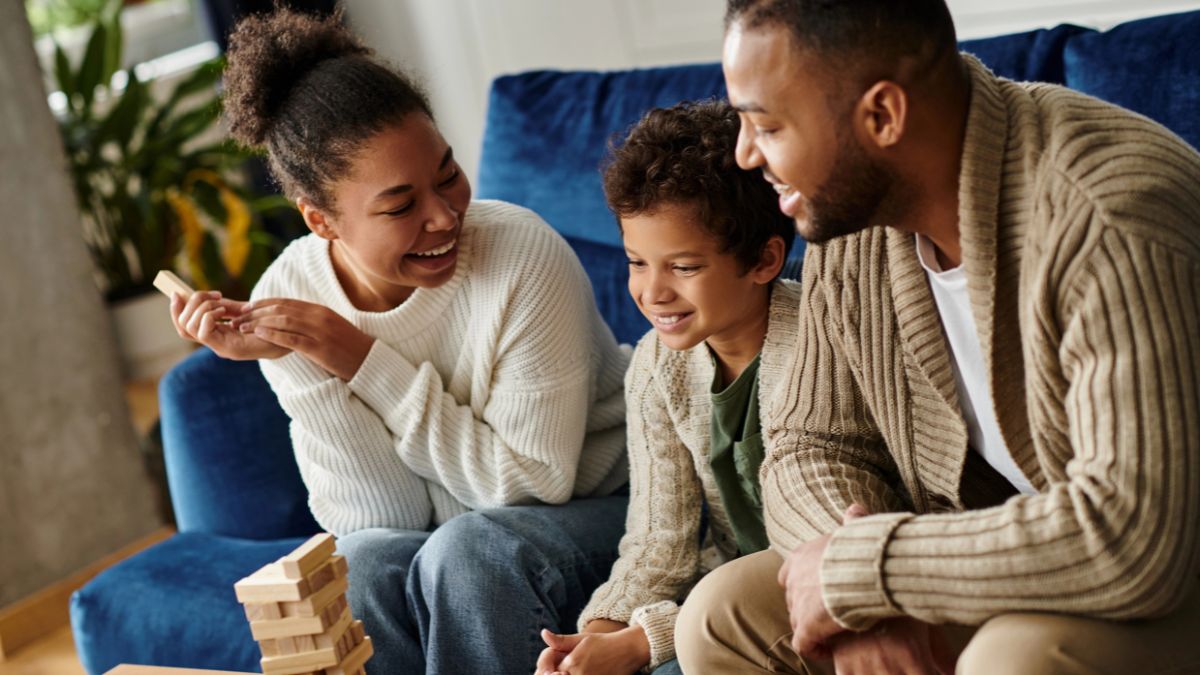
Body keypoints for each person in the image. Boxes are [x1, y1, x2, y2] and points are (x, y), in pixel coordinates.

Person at [675, 1, 1200, 674]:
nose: (746, 153)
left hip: (1169, 572)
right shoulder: (851, 216)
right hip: (1004, 564)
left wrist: (866, 571)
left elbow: (1135, 538)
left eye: (767, 124)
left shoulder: (1107, 216)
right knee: (721, 615)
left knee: (1014, 660)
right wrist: (859, 599)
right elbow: (808, 445)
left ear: (883, 116)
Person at [169, 8, 631, 674]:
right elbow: (381, 519)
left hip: (607, 506)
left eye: (447, 174)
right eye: (400, 204)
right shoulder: (294, 291)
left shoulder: (520, 253)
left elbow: (534, 481)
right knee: (360, 567)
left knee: (466, 552)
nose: (445, 214)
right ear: (321, 220)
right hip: (469, 528)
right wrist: (312, 366)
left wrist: (358, 357)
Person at [534, 99, 798, 675]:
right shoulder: (656, 365)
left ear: (763, 260)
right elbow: (659, 540)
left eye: (682, 267)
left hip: (807, 596)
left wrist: (642, 641)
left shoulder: (819, 345)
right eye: (635, 262)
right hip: (719, 599)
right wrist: (598, 635)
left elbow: (812, 550)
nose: (652, 292)